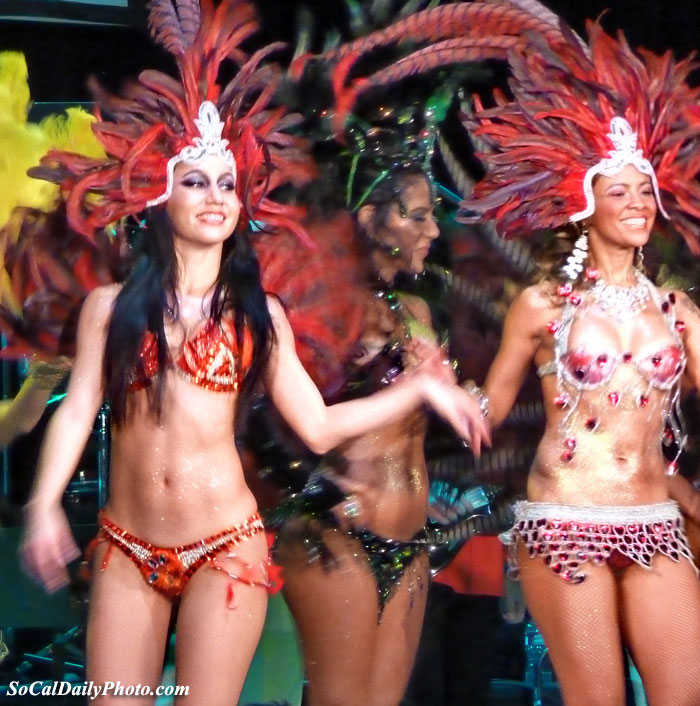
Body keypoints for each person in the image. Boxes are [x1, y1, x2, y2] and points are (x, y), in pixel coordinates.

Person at [17, 2, 487, 704]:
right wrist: (45, 504)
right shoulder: (109, 310)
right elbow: (78, 406)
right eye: (196, 181)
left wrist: (419, 391)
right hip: (124, 547)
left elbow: (320, 427)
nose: (215, 197)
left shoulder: (259, 315)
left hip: (225, 549)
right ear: (158, 194)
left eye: (228, 184)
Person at [454, 10, 700, 706]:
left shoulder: (676, 311)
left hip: (655, 522)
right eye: (618, 191)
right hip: (565, 521)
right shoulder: (542, 307)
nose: (637, 203)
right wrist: (439, 395)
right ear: (580, 203)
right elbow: (492, 408)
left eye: (645, 190)